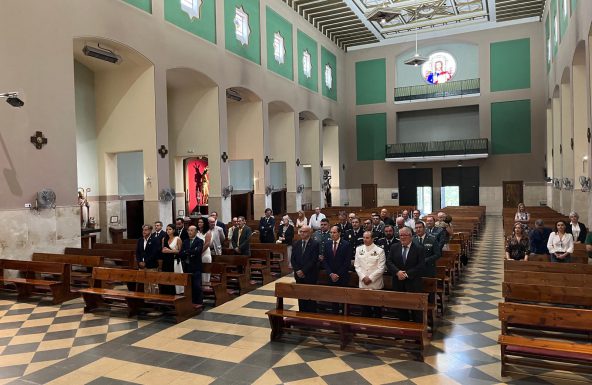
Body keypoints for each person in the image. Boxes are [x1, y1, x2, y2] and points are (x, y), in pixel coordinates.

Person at [386, 227, 425, 322]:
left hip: (413, 283)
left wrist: (406, 274)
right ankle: (403, 331)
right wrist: (397, 272)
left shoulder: (419, 249)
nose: (402, 237)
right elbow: (389, 261)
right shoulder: (394, 247)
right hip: (398, 282)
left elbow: (421, 265)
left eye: (405, 235)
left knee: (416, 310)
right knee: (400, 308)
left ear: (411, 236)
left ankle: (417, 332)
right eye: (400, 235)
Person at [354, 231, 385, 318]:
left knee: (377, 310)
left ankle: (377, 329)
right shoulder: (359, 249)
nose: (365, 240)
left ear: (372, 239)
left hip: (375, 285)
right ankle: (364, 329)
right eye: (364, 238)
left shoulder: (380, 250)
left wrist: (370, 278)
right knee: (364, 310)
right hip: (363, 283)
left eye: (367, 238)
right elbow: (357, 265)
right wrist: (363, 277)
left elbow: (381, 268)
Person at [291, 226, 320, 312]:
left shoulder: (315, 244)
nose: (302, 233)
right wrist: (297, 270)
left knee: (310, 297)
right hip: (299, 275)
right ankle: (301, 314)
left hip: (309, 274)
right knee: (300, 297)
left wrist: (303, 271)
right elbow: (293, 259)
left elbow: (313, 260)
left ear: (309, 233)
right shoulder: (296, 243)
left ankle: (311, 316)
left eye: (304, 232)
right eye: (301, 232)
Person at [322, 226, 351, 314]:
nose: (332, 234)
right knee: (333, 299)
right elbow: (325, 261)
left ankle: (344, 317)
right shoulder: (327, 244)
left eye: (334, 232)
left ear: (339, 233)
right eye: (331, 232)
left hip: (342, 276)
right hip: (331, 276)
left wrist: (338, 274)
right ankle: (334, 317)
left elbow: (347, 262)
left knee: (343, 299)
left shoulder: (346, 244)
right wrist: (331, 273)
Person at [179, 225, 204, 305]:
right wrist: (189, 252)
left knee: (197, 285)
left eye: (191, 230)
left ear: (196, 232)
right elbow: (181, 253)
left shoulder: (199, 241)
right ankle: (190, 301)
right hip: (187, 266)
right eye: (188, 230)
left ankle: (198, 302)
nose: (189, 232)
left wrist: (187, 252)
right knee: (188, 286)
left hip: (196, 267)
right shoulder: (185, 241)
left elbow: (197, 251)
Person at [136, 225, 161, 293]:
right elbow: (138, 253)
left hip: (151, 265)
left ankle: (155, 300)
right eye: (143, 230)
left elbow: (154, 253)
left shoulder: (155, 240)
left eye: (146, 230)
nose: (144, 231)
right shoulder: (140, 240)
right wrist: (139, 261)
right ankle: (146, 299)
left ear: (150, 231)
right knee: (144, 283)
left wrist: (145, 262)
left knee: (153, 283)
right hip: (141, 266)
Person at [161, 224, 181, 295]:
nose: (168, 231)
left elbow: (179, 251)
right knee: (166, 276)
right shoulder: (164, 239)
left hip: (174, 260)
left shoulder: (177, 238)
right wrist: (165, 250)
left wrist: (170, 251)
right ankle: (166, 293)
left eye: (170, 229)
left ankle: (175, 292)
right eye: (167, 229)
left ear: (174, 230)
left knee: (173, 276)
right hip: (166, 260)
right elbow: (163, 250)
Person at [196, 217, 212, 284]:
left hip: (205, 253)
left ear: (205, 223)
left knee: (205, 270)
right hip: (197, 253)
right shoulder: (197, 232)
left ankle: (206, 285)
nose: (199, 223)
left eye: (201, 222)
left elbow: (207, 244)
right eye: (199, 222)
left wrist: (199, 251)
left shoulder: (208, 232)